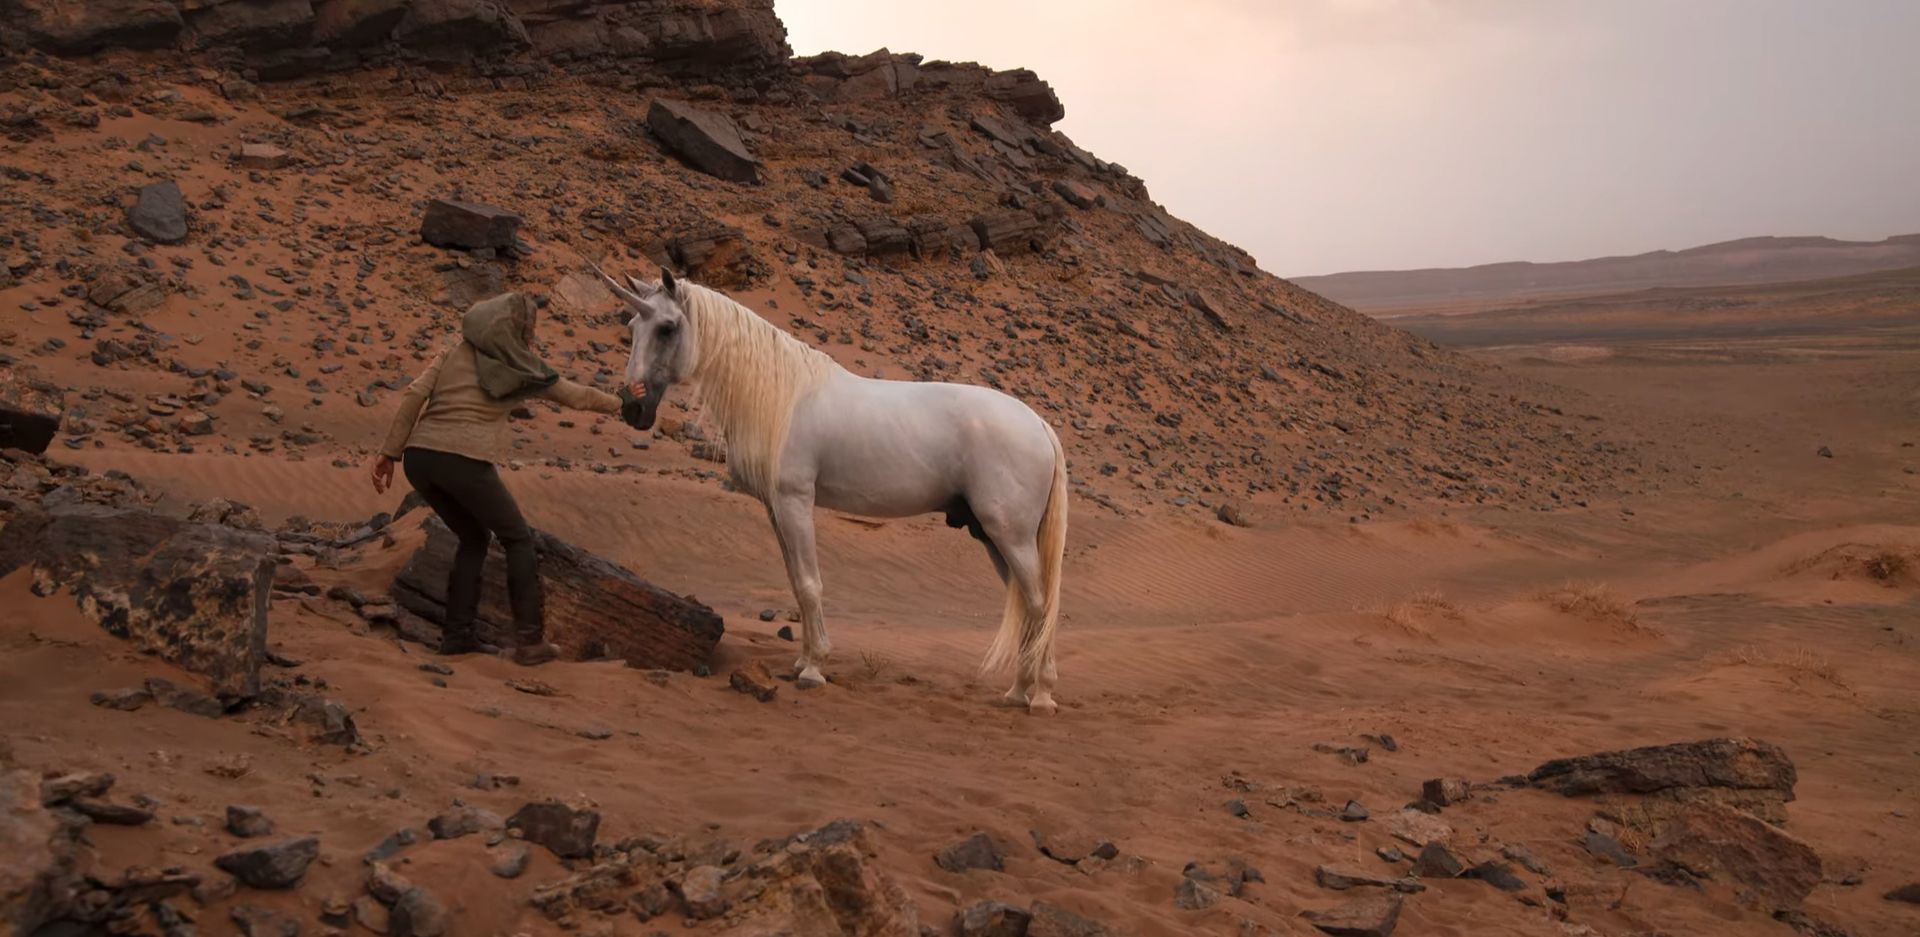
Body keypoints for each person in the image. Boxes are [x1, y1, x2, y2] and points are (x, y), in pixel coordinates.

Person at [371, 291, 647, 665]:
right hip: (463, 458)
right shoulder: (520, 365)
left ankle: (457, 637)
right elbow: (575, 396)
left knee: (473, 537)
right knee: (517, 539)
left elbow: (414, 395)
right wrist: (622, 400)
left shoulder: (454, 350)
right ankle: (530, 641)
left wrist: (389, 452)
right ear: (518, 330)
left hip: (419, 460)